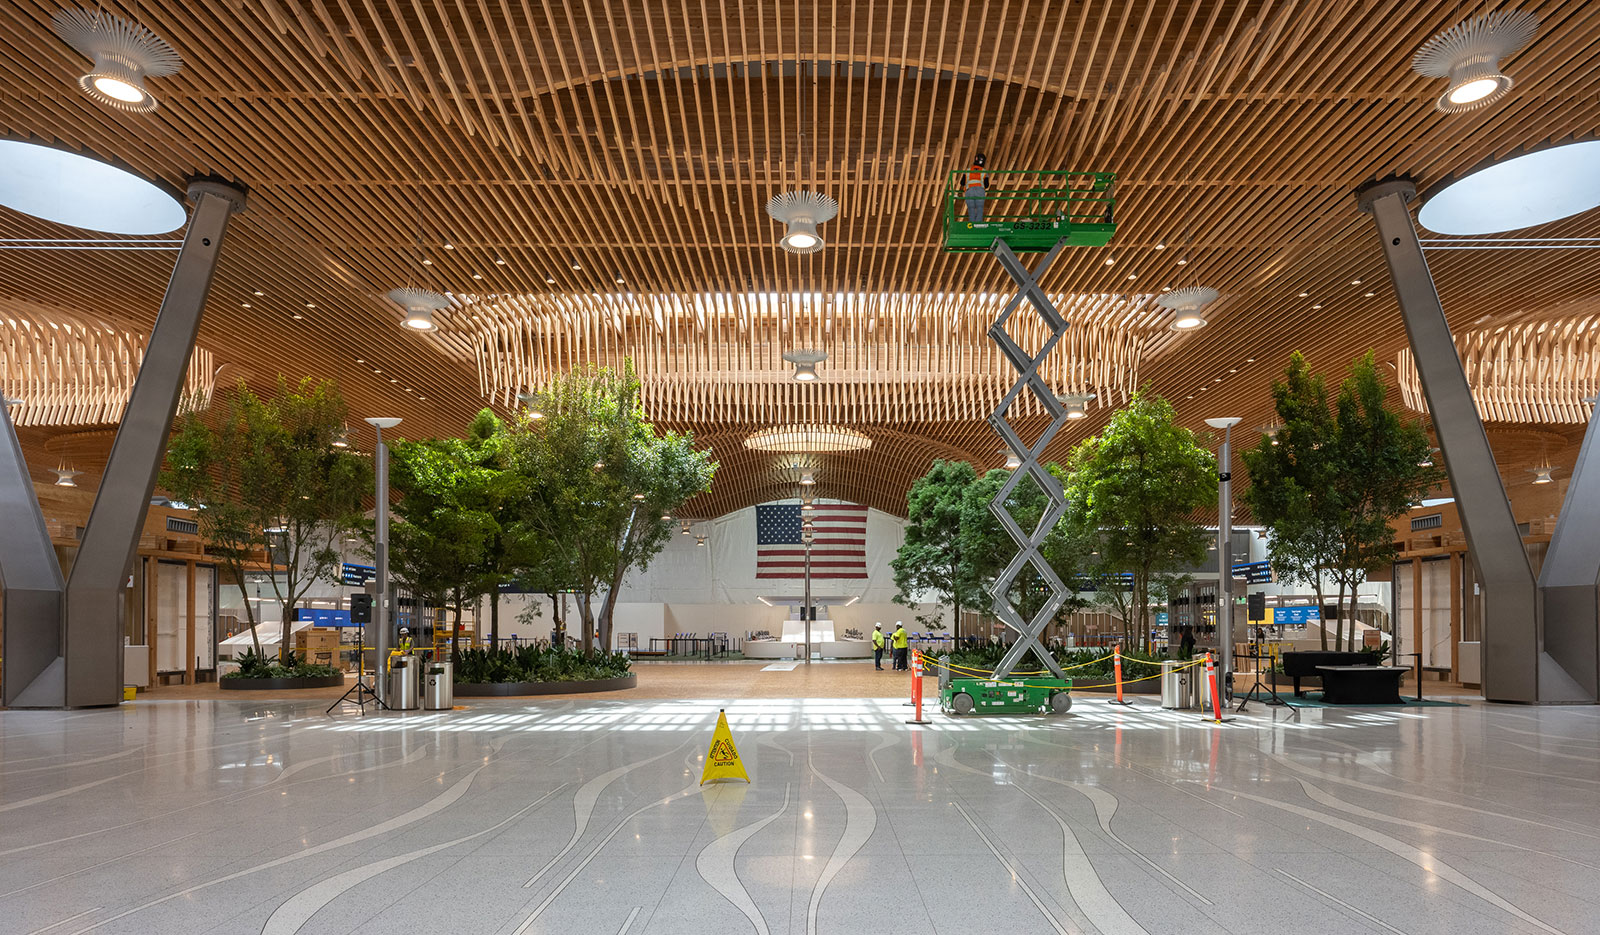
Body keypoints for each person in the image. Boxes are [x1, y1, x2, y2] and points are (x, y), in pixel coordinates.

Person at [964, 153, 988, 223]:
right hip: (980, 190)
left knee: (971, 208)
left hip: (969, 190)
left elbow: (962, 182)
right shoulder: (984, 171)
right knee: (979, 208)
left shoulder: (968, 170)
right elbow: (986, 185)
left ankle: (972, 224)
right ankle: (978, 224)